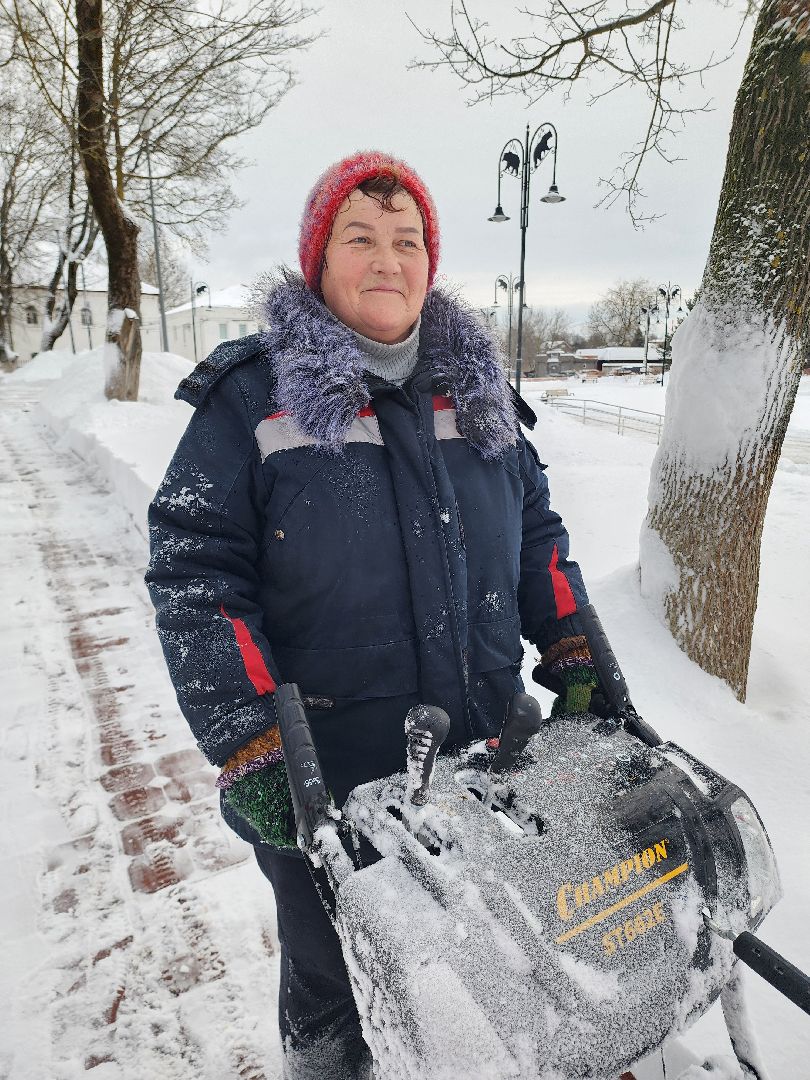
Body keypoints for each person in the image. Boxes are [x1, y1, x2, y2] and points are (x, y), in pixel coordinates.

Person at [145, 151, 614, 1079]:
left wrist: (576, 653)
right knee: (334, 982)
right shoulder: (253, 399)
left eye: (408, 241)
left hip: (489, 746)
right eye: (360, 238)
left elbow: (537, 539)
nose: (387, 260)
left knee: (515, 948)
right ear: (319, 262)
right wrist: (254, 747)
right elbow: (195, 572)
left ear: (430, 264)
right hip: (330, 777)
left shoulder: (476, 394)